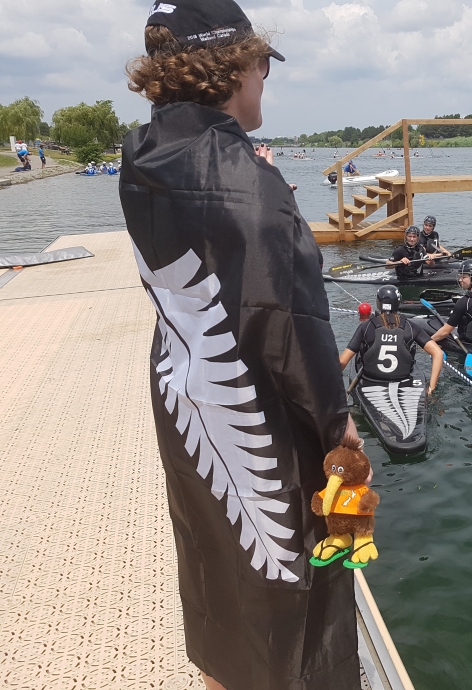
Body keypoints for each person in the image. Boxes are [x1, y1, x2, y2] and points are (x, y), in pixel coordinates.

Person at [121, 1, 361, 688]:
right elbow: (288, 326)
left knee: (212, 574)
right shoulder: (250, 184)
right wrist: (340, 430)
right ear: (230, 64)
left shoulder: (142, 159)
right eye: (262, 62)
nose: (265, 76)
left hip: (183, 398)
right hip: (260, 423)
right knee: (291, 599)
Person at [340, 286, 441, 395]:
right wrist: (431, 388)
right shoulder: (411, 327)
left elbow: (342, 361)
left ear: (378, 303)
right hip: (402, 380)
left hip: (371, 379)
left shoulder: (366, 326)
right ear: (398, 302)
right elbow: (438, 353)